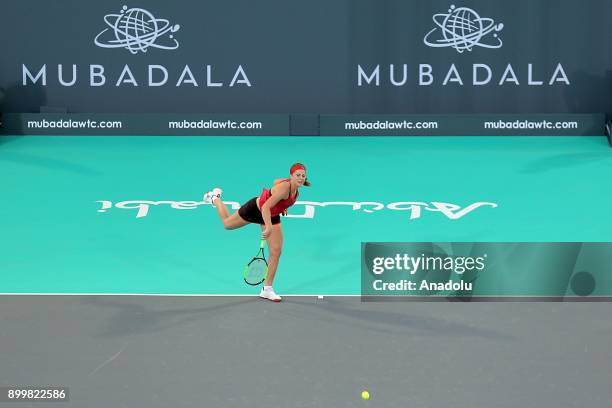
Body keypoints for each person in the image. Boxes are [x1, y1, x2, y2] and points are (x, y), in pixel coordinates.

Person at [204, 163, 310, 302]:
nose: (301, 178)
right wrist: (268, 227)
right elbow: (266, 207)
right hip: (256, 209)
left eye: (303, 175)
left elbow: (275, 182)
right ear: (291, 176)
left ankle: (267, 289)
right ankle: (214, 198)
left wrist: (282, 207)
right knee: (227, 224)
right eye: (298, 175)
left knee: (276, 251)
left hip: (272, 214)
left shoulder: (295, 191)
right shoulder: (285, 188)